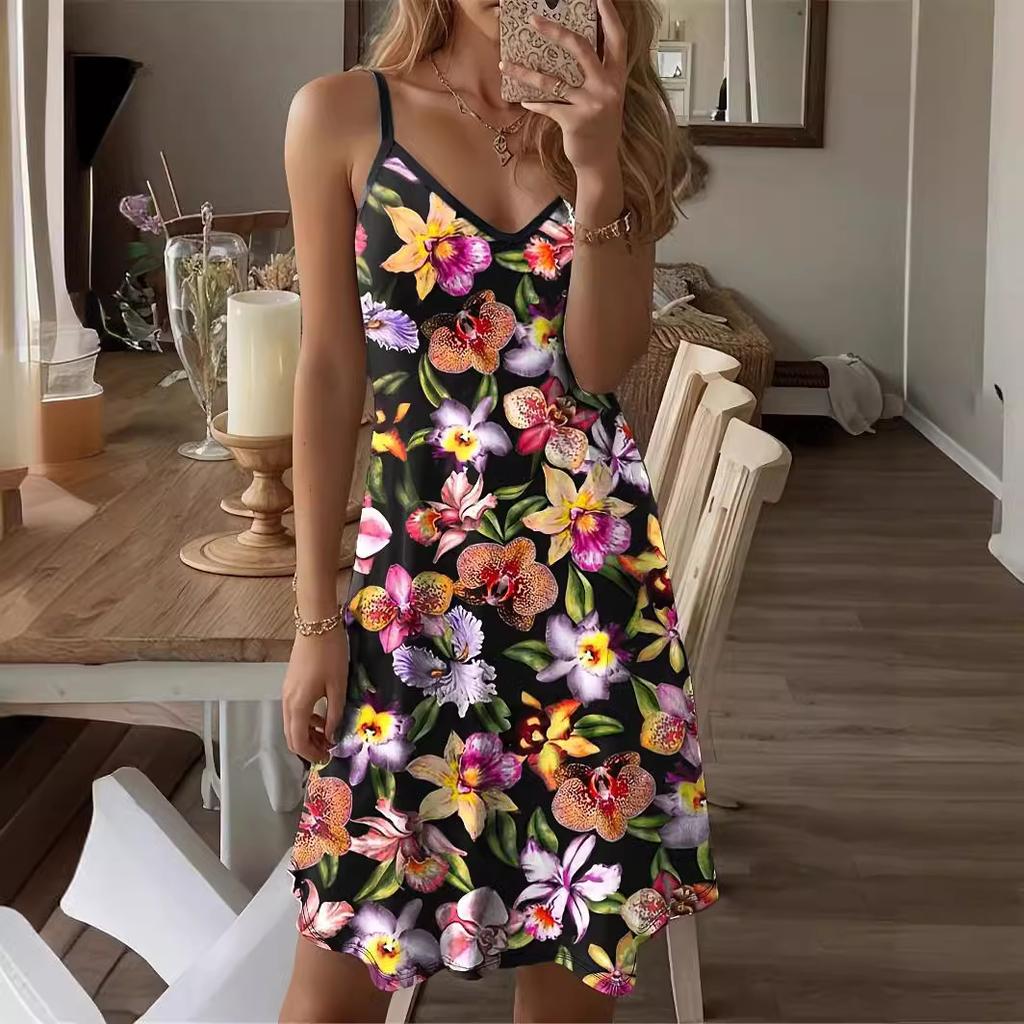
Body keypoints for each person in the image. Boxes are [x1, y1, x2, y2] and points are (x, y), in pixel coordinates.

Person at [278, 0, 715, 1018]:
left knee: (568, 973)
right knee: (333, 981)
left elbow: (597, 367)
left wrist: (597, 166)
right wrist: (313, 619)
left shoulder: (617, 122)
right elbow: (330, 371)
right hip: (410, 597)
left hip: (587, 601)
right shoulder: (341, 115)